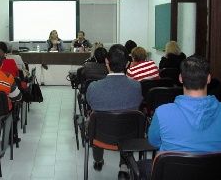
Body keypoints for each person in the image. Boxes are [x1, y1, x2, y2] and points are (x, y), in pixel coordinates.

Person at [137, 55, 221, 180]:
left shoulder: (162, 112)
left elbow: (153, 142)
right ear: (208, 79)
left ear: (181, 78)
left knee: (140, 166)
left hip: (170, 174)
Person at [86, 44, 143, 179]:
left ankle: (98, 160)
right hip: (129, 136)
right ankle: (124, 166)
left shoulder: (94, 87)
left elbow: (90, 105)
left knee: (96, 120)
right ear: (128, 64)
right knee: (126, 124)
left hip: (101, 137)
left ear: (107, 61)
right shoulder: (136, 86)